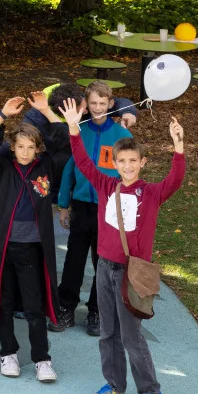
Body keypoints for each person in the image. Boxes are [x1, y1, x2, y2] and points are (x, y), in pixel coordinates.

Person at [65, 102, 187, 394]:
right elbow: (83, 162)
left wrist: (178, 148)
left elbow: (174, 180)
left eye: (133, 161)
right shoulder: (106, 185)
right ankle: (115, 385)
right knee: (108, 331)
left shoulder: (151, 193)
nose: (128, 166)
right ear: (114, 162)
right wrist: (74, 129)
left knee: (131, 335)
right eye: (122, 161)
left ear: (142, 162)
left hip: (131, 274)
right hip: (104, 268)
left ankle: (151, 392)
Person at [0, 93, 70, 382]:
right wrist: (2, 114)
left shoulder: (46, 167)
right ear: (13, 147)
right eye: (20, 146)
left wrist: (46, 111)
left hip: (32, 250)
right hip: (4, 248)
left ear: (38, 149)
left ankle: (42, 359)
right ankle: (8, 353)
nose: (25, 152)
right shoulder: (4, 167)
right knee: (4, 304)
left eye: (31, 147)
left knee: (34, 307)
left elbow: (66, 143)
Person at [56, 80, 132, 336]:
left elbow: (129, 174)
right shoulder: (79, 131)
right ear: (86, 105)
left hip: (109, 209)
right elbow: (69, 169)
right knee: (74, 259)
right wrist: (63, 205)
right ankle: (65, 307)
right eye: (93, 103)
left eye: (102, 103)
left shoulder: (122, 135)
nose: (98, 107)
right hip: (81, 207)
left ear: (111, 104)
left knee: (104, 263)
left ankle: (97, 310)